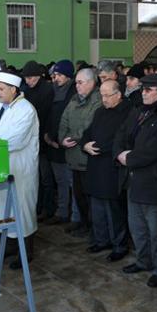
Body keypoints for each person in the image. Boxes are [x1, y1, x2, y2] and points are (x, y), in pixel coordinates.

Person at [114, 73, 157, 288]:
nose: (143, 93)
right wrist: (119, 153)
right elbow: (121, 133)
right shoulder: (139, 110)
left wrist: (129, 157)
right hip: (134, 179)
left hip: (156, 182)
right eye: (143, 89)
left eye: (148, 90)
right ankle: (143, 261)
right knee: (138, 228)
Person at [0, 72, 39, 270]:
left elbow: (16, 140)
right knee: (4, 208)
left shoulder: (26, 110)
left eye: (2, 89)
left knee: (21, 208)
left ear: (14, 90)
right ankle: (10, 246)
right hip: (0, 165)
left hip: (20, 168)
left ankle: (26, 252)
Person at [82, 80, 132, 261]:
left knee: (113, 210)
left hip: (112, 167)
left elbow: (122, 138)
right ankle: (101, 240)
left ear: (118, 94)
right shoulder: (100, 112)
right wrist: (85, 144)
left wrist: (100, 148)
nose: (103, 99)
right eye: (101, 95)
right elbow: (88, 132)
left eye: (107, 95)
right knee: (97, 208)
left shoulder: (128, 112)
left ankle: (119, 245)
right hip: (95, 166)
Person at [58, 68, 102, 238]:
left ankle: (92, 227)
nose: (76, 86)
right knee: (78, 195)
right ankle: (82, 223)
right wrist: (62, 138)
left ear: (91, 83)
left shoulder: (97, 100)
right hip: (73, 156)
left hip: (87, 158)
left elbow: (89, 125)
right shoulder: (74, 99)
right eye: (76, 82)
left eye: (80, 82)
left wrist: (74, 137)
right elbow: (64, 120)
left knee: (89, 196)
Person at [44, 60, 77, 226]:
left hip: (67, 145)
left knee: (72, 183)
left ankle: (75, 217)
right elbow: (50, 115)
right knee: (61, 182)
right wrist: (48, 136)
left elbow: (71, 120)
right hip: (53, 144)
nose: (55, 78)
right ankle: (62, 212)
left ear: (68, 76)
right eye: (55, 75)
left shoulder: (73, 92)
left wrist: (62, 139)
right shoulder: (54, 91)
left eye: (59, 75)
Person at [22, 60, 55, 222]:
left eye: (30, 78)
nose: (28, 81)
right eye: (26, 78)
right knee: (36, 177)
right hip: (31, 140)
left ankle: (48, 208)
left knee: (46, 177)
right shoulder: (27, 90)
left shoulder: (48, 89)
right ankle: (37, 206)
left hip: (43, 139)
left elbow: (43, 114)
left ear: (37, 76)